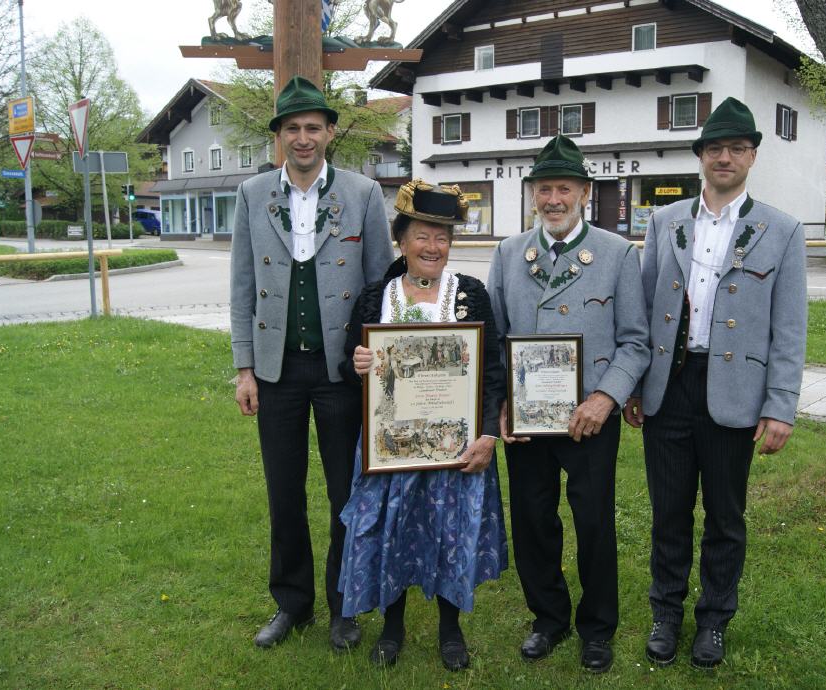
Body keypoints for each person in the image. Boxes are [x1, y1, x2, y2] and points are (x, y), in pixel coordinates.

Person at [623, 97, 807, 669]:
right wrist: (633, 384)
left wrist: (780, 406)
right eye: (714, 149)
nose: (724, 158)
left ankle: (714, 622)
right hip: (669, 385)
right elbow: (644, 308)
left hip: (735, 393)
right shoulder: (665, 221)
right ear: (700, 156)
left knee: (726, 516)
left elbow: (789, 328)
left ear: (751, 155)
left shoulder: (782, 230)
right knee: (668, 512)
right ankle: (666, 614)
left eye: (736, 149)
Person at [229, 76, 393, 650]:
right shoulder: (253, 195)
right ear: (279, 137)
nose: (303, 138)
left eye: (313, 128)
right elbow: (243, 287)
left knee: (344, 495)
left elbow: (379, 286)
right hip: (276, 371)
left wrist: (380, 359)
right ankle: (291, 604)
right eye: (293, 129)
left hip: (340, 372)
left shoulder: (364, 193)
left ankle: (344, 607)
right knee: (284, 492)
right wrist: (244, 367)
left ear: (329, 133)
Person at [488, 134, 650, 674]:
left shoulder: (617, 254)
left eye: (564, 188)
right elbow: (496, 339)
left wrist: (606, 398)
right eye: (544, 189)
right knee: (534, 520)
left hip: (589, 419)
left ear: (584, 191)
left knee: (594, 522)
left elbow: (635, 341)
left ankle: (597, 627)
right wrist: (502, 404)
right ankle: (549, 618)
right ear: (533, 194)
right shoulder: (510, 254)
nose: (553, 199)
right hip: (528, 421)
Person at [336, 180, 508, 671]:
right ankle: (393, 627)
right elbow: (350, 369)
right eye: (422, 236)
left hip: (457, 445)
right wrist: (361, 362)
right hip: (391, 444)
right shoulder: (376, 299)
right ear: (401, 240)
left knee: (449, 532)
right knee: (392, 530)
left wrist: (487, 435)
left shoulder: (470, 295)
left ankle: (451, 630)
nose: (433, 247)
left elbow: (491, 369)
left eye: (442, 237)